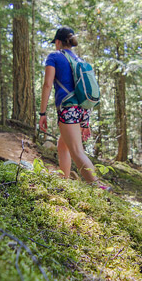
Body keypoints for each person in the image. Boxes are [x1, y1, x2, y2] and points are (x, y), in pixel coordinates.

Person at [38, 26, 109, 190]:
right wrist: (85, 122)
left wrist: (42, 113)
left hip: (68, 108)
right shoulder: (79, 59)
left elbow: (48, 84)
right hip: (82, 109)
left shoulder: (54, 57)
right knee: (63, 143)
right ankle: (64, 177)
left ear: (57, 42)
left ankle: (98, 187)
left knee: (77, 151)